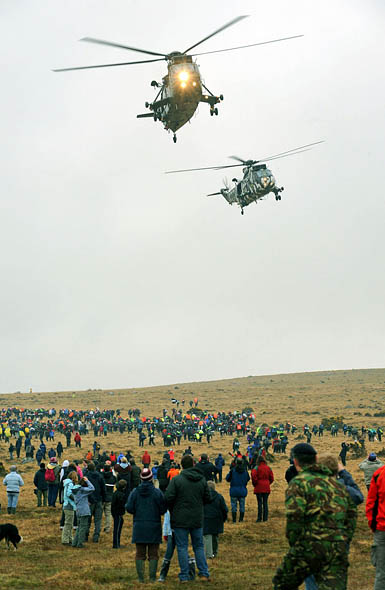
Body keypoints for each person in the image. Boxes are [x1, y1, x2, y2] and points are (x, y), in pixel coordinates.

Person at [273, 443, 357, 590]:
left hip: (310, 547)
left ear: (295, 462)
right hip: (337, 548)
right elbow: (351, 516)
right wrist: (343, 541)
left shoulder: (299, 483)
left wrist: (297, 548)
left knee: (282, 583)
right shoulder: (336, 484)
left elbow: (294, 520)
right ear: (316, 458)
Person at [165, 454, 211, 582]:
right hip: (197, 518)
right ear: (193, 464)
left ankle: (184, 575)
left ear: (182, 465)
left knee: (182, 547)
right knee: (199, 546)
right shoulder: (201, 480)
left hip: (180, 519)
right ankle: (204, 573)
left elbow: (168, 497)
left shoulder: (177, 480)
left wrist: (173, 509)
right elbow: (208, 498)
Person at [126, 468, 167, 583]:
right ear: (151, 478)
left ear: (141, 478)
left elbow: (129, 508)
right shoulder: (157, 492)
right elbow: (163, 509)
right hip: (154, 526)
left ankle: (141, 579)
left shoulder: (135, 492)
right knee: (153, 554)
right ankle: (153, 578)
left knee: (140, 554)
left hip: (139, 526)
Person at [366, 461, 385, 590]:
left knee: (381, 572)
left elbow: (371, 503)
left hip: (382, 528)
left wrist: (374, 526)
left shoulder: (379, 474)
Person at [203, 480, 228, 558]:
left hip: (206, 519)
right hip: (217, 519)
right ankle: (215, 552)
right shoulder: (219, 497)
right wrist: (224, 518)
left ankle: (209, 554)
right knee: (215, 536)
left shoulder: (202, 497)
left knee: (207, 536)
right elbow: (225, 509)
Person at [84, 461, 106, 543]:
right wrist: (103, 499)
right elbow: (103, 489)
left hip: (89, 501)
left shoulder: (86, 477)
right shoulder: (100, 476)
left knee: (87, 519)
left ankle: (85, 536)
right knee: (98, 520)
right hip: (99, 500)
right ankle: (96, 537)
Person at [72, 477, 95, 548]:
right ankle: (80, 543)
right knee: (83, 528)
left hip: (78, 510)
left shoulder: (74, 490)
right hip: (84, 511)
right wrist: (87, 481)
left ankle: (74, 542)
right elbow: (92, 488)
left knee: (79, 527)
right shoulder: (82, 490)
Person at [226, 457, 250, 523]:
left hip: (234, 490)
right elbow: (248, 479)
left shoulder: (233, 471)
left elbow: (227, 479)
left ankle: (234, 520)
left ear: (236, 463)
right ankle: (241, 520)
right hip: (242, 490)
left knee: (234, 506)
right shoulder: (245, 471)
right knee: (242, 505)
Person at [251, 456, 274, 522]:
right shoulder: (268, 468)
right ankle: (265, 518)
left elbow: (253, 476)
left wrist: (255, 484)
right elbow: (272, 478)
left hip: (258, 487)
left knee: (259, 503)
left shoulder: (256, 468)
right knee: (265, 503)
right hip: (266, 487)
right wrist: (267, 483)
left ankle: (259, 518)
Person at [62, 471, 79, 545]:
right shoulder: (70, 484)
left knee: (70, 524)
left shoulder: (67, 483)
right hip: (69, 506)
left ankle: (69, 538)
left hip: (67, 505)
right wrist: (75, 499)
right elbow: (69, 494)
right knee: (68, 524)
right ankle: (65, 540)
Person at [111, 479, 127, 549]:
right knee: (117, 529)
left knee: (117, 528)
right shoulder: (121, 495)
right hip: (118, 513)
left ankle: (117, 543)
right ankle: (116, 544)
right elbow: (121, 505)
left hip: (115, 513)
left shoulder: (115, 493)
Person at [102, 463, 116, 533]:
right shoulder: (113, 478)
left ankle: (97, 528)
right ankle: (107, 528)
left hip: (102, 498)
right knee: (108, 514)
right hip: (110, 497)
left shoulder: (101, 477)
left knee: (98, 515)